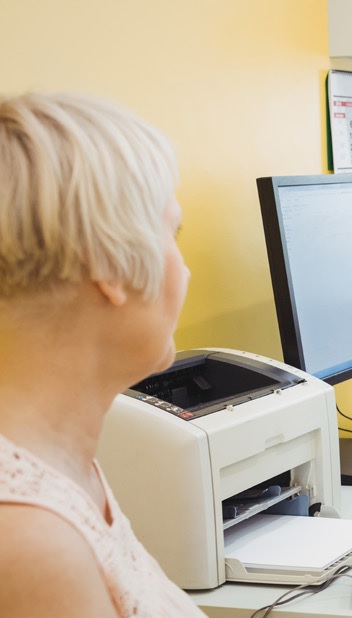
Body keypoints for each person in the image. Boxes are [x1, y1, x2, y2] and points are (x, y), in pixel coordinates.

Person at [0, 93, 206, 616]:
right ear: (109, 266)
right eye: (173, 233)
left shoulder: (64, 465)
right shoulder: (32, 542)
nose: (183, 271)